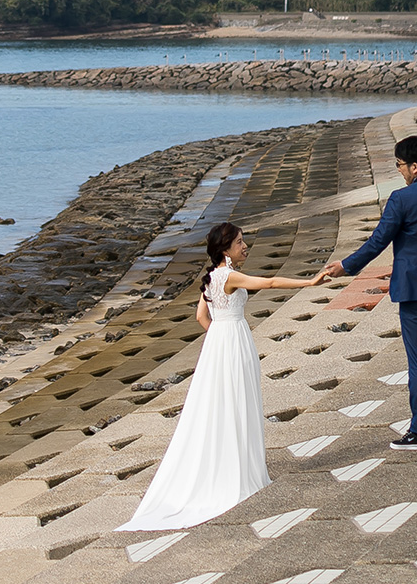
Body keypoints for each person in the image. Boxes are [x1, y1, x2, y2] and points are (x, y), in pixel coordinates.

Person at [116, 222, 318, 530]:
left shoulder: (211, 277)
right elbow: (271, 283)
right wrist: (311, 282)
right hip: (234, 339)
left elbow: (201, 317)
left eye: (243, 240)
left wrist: (219, 339)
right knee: (239, 403)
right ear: (225, 249)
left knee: (220, 406)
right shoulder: (228, 275)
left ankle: (228, 469)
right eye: (239, 242)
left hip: (220, 342)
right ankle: (238, 475)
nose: (245, 245)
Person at [321, 135, 417, 451]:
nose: (399, 171)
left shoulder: (401, 199)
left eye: (399, 165)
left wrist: (346, 266)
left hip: (415, 291)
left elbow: (378, 242)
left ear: (414, 166)